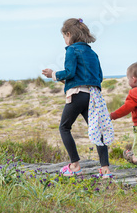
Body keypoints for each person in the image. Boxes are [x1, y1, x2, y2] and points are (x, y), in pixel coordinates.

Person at [42, 18, 113, 178]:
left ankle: (74, 165)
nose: (65, 41)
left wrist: (53, 74)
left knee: (64, 127)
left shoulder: (71, 50)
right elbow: (99, 77)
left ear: (69, 34)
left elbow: (70, 72)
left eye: (64, 38)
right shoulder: (93, 53)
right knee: (97, 129)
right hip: (93, 96)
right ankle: (105, 168)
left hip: (77, 95)